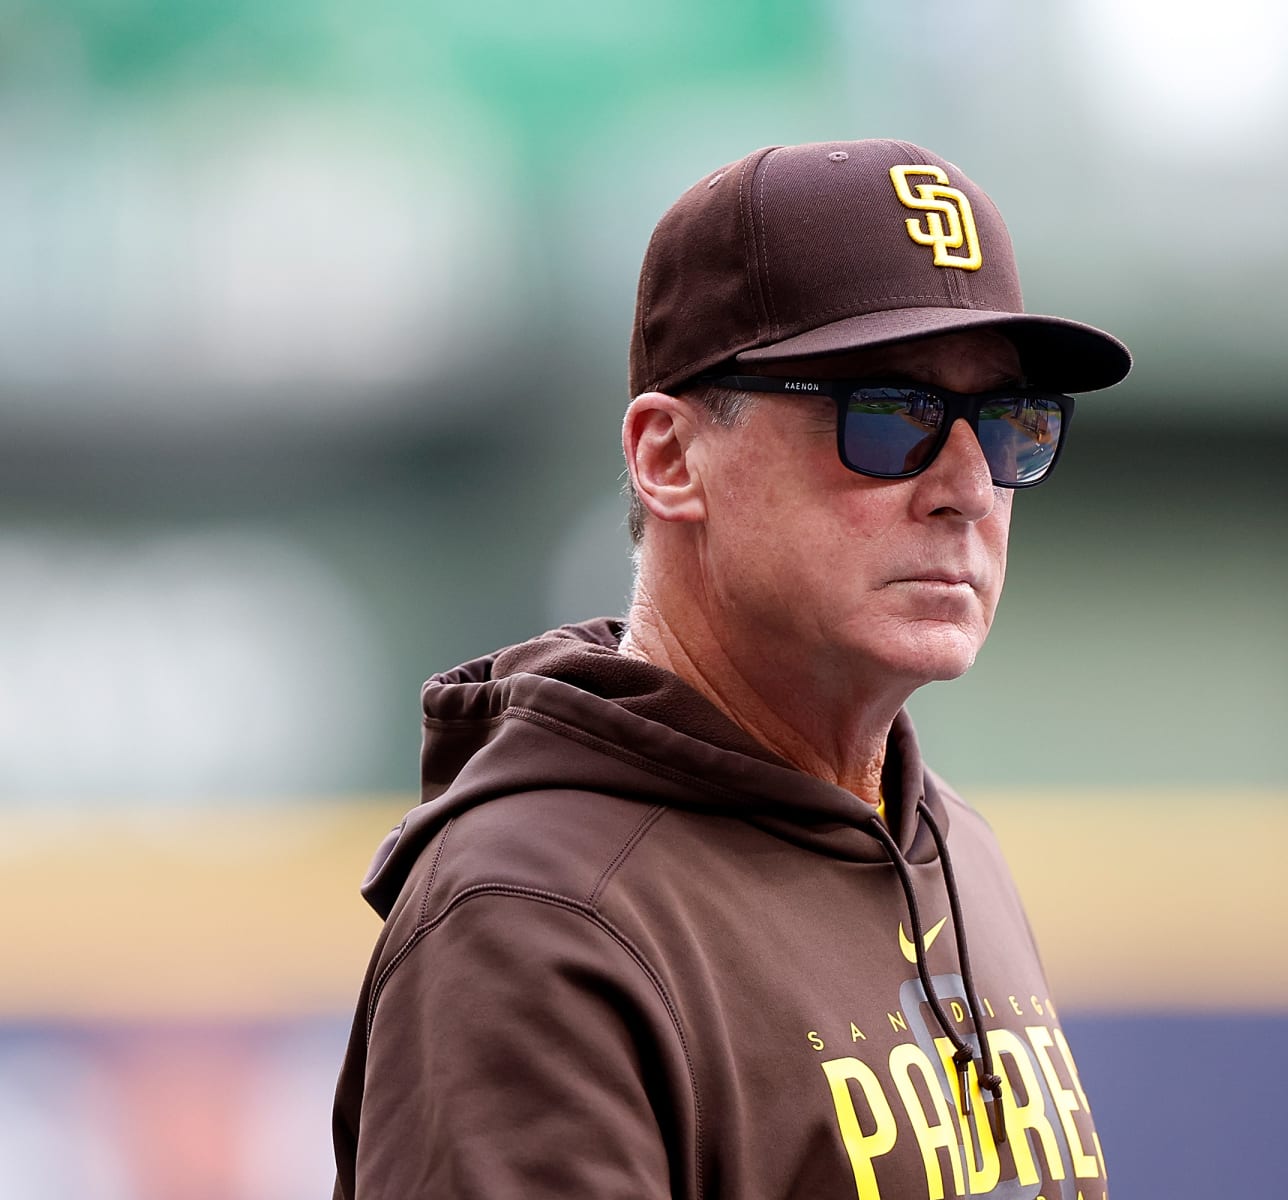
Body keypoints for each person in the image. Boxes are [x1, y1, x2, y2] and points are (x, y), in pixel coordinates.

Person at [330, 138, 1131, 1199]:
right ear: (669, 456)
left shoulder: (951, 844)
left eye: (1008, 422)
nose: (970, 489)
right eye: (889, 415)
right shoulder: (536, 915)